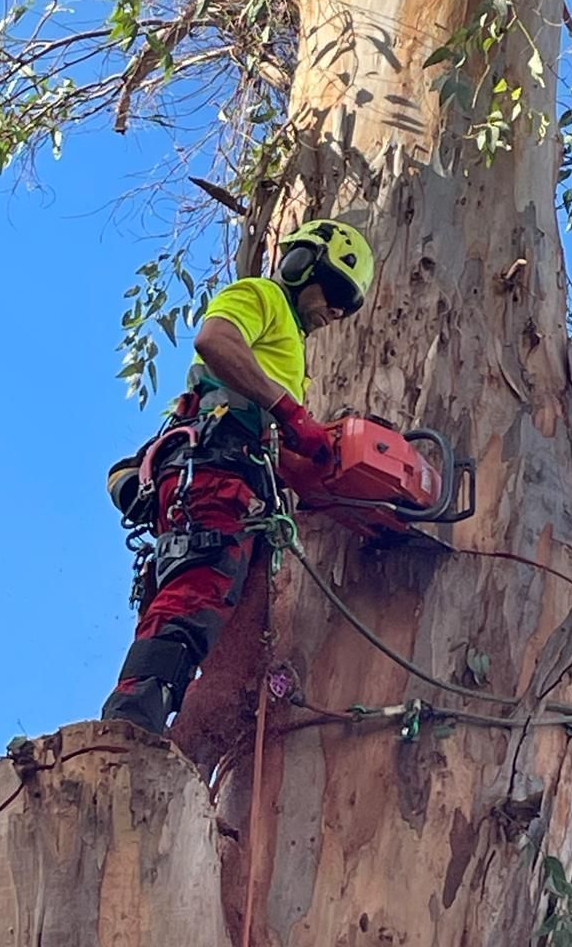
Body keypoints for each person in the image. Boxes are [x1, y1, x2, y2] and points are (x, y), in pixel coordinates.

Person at [101, 219, 375, 734]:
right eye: (335, 290)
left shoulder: (291, 347)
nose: (335, 311)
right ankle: (128, 731)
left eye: (347, 306)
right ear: (300, 266)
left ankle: (181, 760)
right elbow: (215, 339)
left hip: (244, 490)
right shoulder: (264, 295)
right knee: (194, 596)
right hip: (215, 476)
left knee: (239, 652)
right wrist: (292, 414)